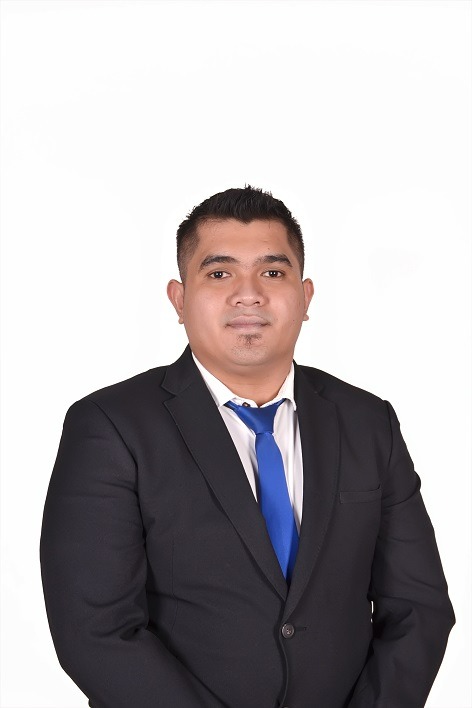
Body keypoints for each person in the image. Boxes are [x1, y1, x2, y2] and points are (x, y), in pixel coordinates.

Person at [40, 186, 455, 708]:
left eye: (273, 272)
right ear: (179, 299)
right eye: (219, 274)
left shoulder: (368, 421)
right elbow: (95, 632)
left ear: (305, 297)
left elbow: (418, 607)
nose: (249, 294)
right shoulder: (110, 426)